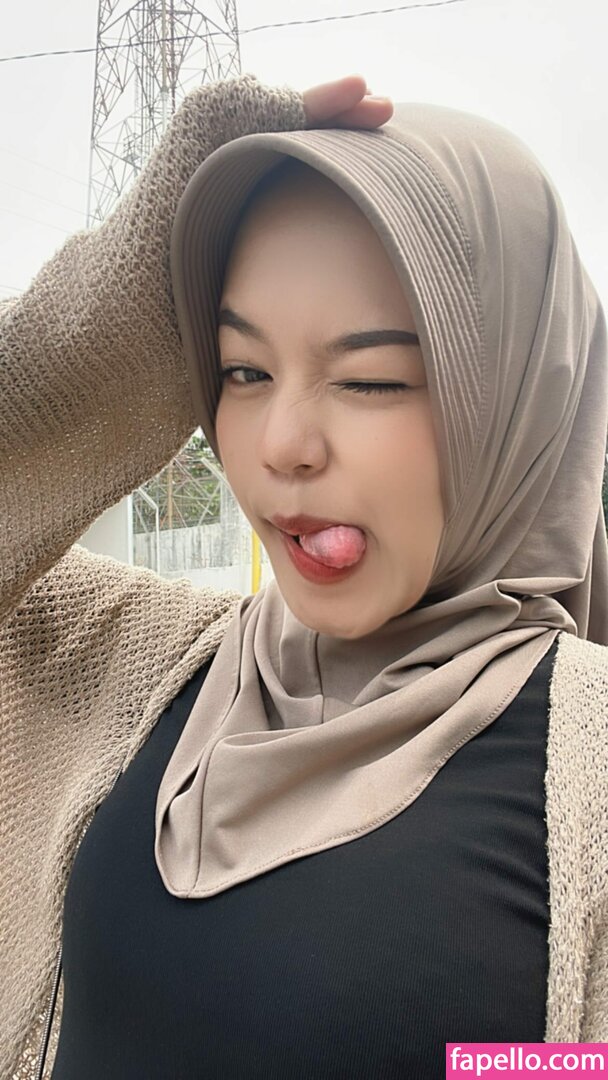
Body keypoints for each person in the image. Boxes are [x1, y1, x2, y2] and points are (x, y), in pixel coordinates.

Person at [0, 70, 606, 1079]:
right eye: (242, 371)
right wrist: (137, 282)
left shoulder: (585, 762)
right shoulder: (136, 663)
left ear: (513, 396)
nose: (280, 445)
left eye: (370, 380)